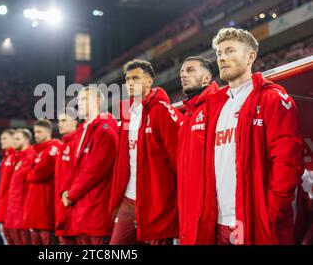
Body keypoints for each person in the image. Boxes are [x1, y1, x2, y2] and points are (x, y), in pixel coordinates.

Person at [201, 27, 304, 244]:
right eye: (219, 53)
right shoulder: (216, 107)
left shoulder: (273, 98)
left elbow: (288, 162)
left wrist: (268, 214)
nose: (222, 58)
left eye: (229, 51)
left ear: (250, 56)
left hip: (255, 220)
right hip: (218, 221)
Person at [109, 59, 181, 245]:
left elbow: (178, 159)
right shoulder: (126, 111)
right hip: (128, 198)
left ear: (149, 81)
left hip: (155, 199)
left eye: (136, 78)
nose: (130, 83)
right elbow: (122, 158)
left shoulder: (161, 111)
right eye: (127, 79)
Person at [61, 86, 119, 245]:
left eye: (85, 99)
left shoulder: (105, 130)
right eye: (79, 100)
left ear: (98, 101)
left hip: (97, 206)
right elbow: (74, 167)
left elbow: (96, 170)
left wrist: (71, 194)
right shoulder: (81, 131)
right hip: (81, 208)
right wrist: (64, 191)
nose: (80, 103)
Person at [177, 56, 219, 245]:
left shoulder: (217, 105)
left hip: (211, 213)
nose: (183, 75)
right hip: (189, 210)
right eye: (182, 72)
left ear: (206, 78)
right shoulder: (188, 114)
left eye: (190, 70)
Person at [23, 119, 62, 245]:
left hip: (46, 208)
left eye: (39, 132)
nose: (36, 135)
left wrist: (30, 173)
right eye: (35, 132)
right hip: (36, 208)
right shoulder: (38, 151)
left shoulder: (53, 148)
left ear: (48, 132)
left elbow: (38, 174)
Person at [3, 129, 35, 245]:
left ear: (26, 140)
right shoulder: (18, 158)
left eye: (17, 139)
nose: (14, 142)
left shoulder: (31, 156)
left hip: (23, 211)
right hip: (14, 210)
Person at [55, 108, 79, 245]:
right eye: (59, 121)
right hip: (61, 207)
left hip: (72, 205)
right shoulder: (62, 145)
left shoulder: (78, 142)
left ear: (75, 122)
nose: (59, 124)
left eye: (64, 120)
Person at [0, 129, 17, 238]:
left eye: (4, 138)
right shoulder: (5, 158)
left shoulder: (16, 156)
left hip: (12, 207)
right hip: (5, 206)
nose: (1, 141)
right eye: (0, 139)